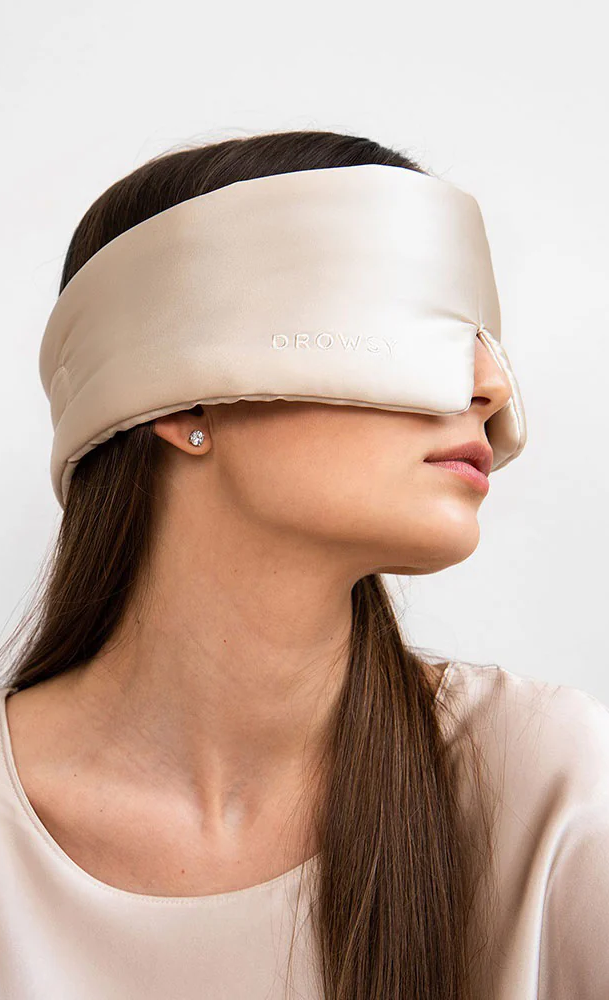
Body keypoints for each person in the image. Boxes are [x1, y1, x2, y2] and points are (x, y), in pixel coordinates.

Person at [1, 129, 608, 1000]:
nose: (490, 385)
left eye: (481, 332)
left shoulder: (543, 781)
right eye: (402, 312)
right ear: (183, 393)